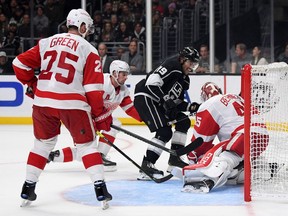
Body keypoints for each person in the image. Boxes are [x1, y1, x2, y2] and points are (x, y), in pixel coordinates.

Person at [12, 8, 113, 206]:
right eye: (87, 27)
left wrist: (33, 84)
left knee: (41, 145)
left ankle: (28, 188)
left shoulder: (46, 42)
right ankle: (100, 190)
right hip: (73, 104)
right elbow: (93, 90)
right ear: (82, 26)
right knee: (86, 146)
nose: (88, 31)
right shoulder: (89, 50)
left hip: (43, 103)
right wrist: (99, 115)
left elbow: (18, 63)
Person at [47, 60, 142, 171]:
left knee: (114, 123)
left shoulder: (123, 90)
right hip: (81, 119)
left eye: (127, 74)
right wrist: (91, 121)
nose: (126, 77)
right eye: (124, 74)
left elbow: (130, 109)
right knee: (84, 152)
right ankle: (50, 156)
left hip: (96, 119)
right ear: (115, 73)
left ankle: (100, 156)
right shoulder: (100, 83)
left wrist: (147, 119)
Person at [181, 82, 269, 193]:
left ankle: (206, 179)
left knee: (226, 157)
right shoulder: (234, 97)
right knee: (236, 159)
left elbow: (200, 142)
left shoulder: (208, 104)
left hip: (243, 135)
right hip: (262, 135)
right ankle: (261, 168)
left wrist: (193, 158)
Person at [133, 47, 201, 180]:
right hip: (146, 96)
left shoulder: (185, 80)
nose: (192, 67)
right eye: (190, 63)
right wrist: (165, 99)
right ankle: (146, 166)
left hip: (159, 102)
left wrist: (190, 106)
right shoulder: (172, 65)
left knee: (184, 121)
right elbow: (151, 82)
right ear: (182, 60)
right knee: (164, 132)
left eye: (195, 64)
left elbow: (176, 101)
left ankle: (174, 159)